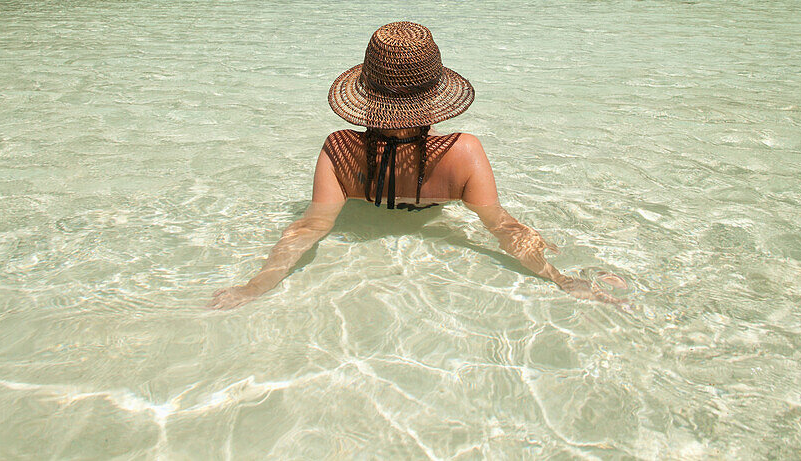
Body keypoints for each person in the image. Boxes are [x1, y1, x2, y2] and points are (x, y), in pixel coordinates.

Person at [208, 21, 626, 310]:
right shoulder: (464, 153)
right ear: (436, 94)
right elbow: (500, 227)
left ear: (366, 92)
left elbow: (309, 228)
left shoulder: (340, 150)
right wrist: (561, 279)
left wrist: (253, 288)